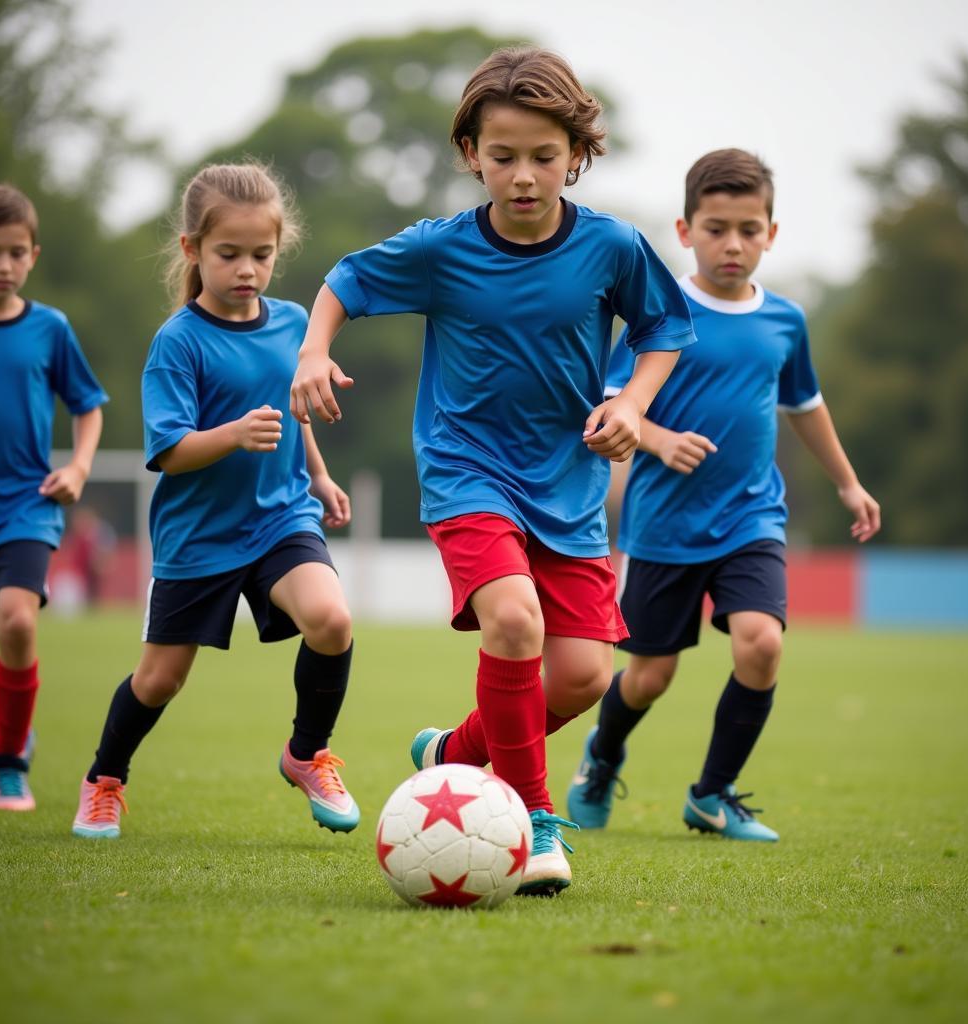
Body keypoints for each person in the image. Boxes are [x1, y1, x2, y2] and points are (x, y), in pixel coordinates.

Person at [291, 47, 695, 894]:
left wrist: (628, 406)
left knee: (584, 676)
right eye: (502, 156)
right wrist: (314, 352)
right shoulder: (440, 250)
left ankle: (454, 753)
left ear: (575, 156)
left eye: (543, 157)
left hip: (570, 487)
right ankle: (535, 819)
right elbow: (347, 280)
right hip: (467, 471)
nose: (522, 175)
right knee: (515, 623)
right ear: (471, 153)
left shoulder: (613, 247)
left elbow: (663, 330)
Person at [567, 149, 881, 841]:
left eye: (747, 228)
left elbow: (806, 405)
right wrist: (658, 441)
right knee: (648, 678)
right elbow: (612, 408)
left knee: (761, 643)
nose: (732, 244)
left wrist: (848, 482)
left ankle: (713, 793)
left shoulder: (785, 322)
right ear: (685, 231)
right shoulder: (660, 312)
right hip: (662, 526)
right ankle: (602, 755)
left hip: (751, 516)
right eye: (716, 228)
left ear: (771, 232)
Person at [72, 162, 358, 839]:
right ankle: (105, 779)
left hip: (281, 518)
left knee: (332, 619)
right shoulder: (178, 343)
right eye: (229, 254)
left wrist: (316, 476)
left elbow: (296, 415)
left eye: (261, 255)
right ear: (192, 250)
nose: (247, 269)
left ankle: (305, 753)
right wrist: (232, 434)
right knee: (160, 680)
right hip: (198, 537)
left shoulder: (293, 324)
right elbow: (169, 450)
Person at [0, 184, 107, 812]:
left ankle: (10, 762)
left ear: (33, 255)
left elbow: (87, 406)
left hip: (25, 504)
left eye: (15, 253)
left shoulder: (48, 329)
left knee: (15, 620)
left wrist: (79, 466)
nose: (2, 266)